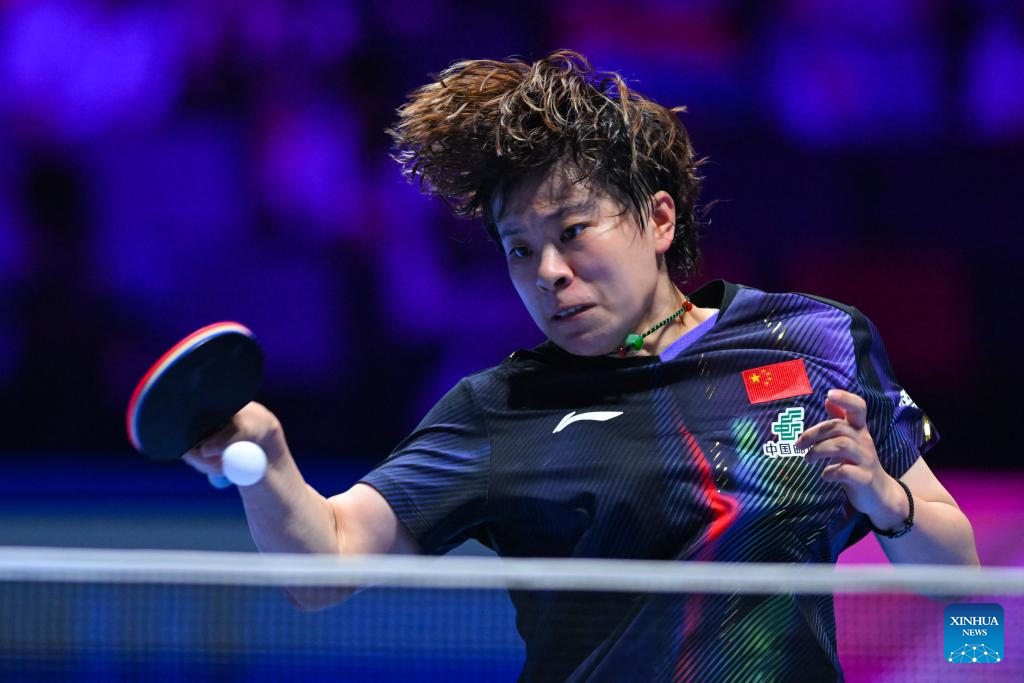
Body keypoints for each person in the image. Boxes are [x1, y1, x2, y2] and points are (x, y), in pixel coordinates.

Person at [185, 51, 979, 682]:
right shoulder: (501, 409)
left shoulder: (815, 340)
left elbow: (968, 587)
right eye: (519, 250)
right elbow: (324, 564)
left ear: (658, 219)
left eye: (573, 232)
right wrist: (269, 462)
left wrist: (890, 502)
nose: (549, 273)